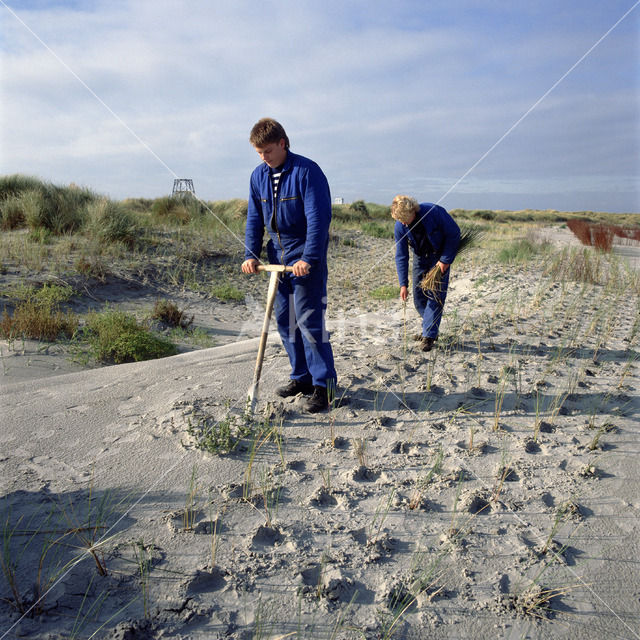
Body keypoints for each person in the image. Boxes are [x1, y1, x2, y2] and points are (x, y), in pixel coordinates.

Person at [241, 118, 337, 413]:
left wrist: (308, 259)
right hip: (276, 257)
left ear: (283, 143)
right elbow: (255, 219)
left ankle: (325, 387)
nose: (263, 157)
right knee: (285, 321)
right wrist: (250, 254)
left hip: (305, 255)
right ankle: (302, 377)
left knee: (309, 322)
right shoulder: (258, 176)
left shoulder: (307, 171)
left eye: (268, 151)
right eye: (258, 152)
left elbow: (319, 220)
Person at [391, 195, 460, 351]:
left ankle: (428, 336)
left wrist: (445, 260)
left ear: (412, 212)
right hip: (420, 259)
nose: (402, 223)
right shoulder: (400, 226)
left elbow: (454, 233)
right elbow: (401, 255)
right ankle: (430, 327)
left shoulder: (434, 212)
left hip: (439, 257)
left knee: (436, 296)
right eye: (399, 220)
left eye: (404, 219)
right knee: (418, 298)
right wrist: (403, 284)